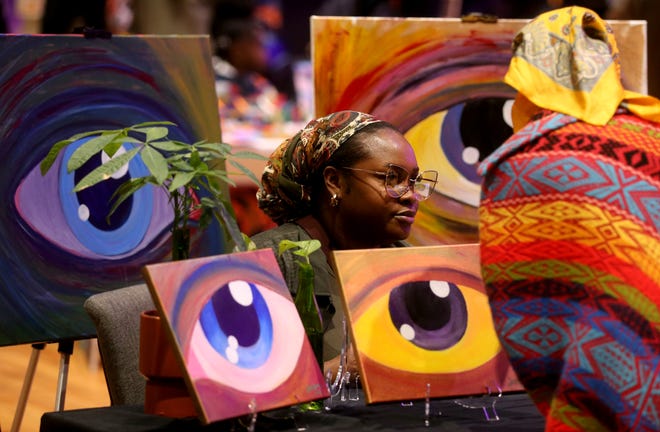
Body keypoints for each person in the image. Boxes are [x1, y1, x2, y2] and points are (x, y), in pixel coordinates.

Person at [477, 6, 660, 431]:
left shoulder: (520, 162)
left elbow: (525, 307)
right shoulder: (654, 134)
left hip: (604, 391)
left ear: (524, 69)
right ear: (610, 62)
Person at [251, 110, 438, 374]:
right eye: (391, 179)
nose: (411, 196)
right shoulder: (271, 258)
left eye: (413, 181)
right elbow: (247, 380)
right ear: (335, 181)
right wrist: (343, 369)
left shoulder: (409, 264)